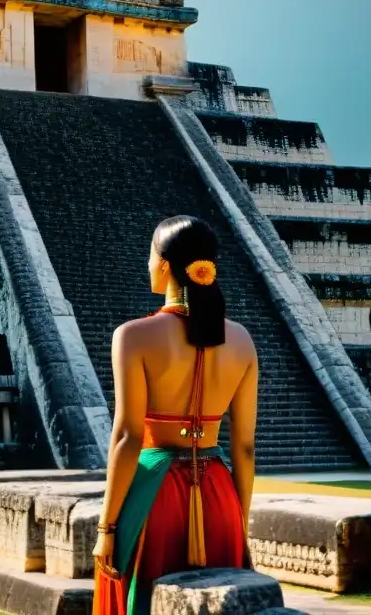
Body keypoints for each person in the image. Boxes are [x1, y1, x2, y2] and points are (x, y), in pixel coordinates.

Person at [91, 215, 258, 615]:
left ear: (164, 264)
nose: (147, 265)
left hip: (154, 491)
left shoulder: (133, 336)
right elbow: (246, 447)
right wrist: (239, 519)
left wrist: (106, 528)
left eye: (150, 257)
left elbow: (129, 437)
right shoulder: (242, 339)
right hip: (220, 495)